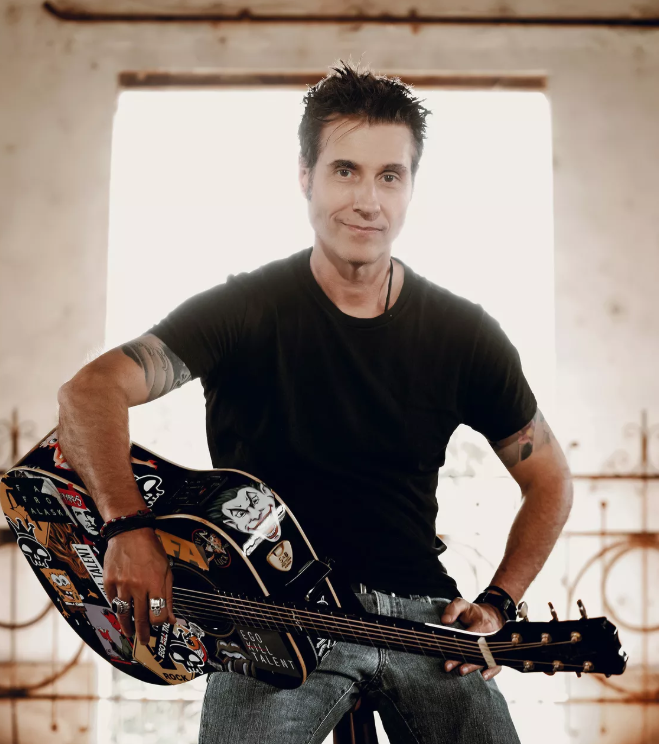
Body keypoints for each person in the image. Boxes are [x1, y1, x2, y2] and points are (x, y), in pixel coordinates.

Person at [57, 60, 573, 744]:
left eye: (390, 176)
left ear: (411, 187)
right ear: (305, 176)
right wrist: (128, 528)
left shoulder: (464, 333)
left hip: (421, 617)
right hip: (271, 618)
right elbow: (89, 391)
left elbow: (549, 479)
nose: (368, 200)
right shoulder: (242, 309)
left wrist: (500, 602)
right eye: (345, 171)